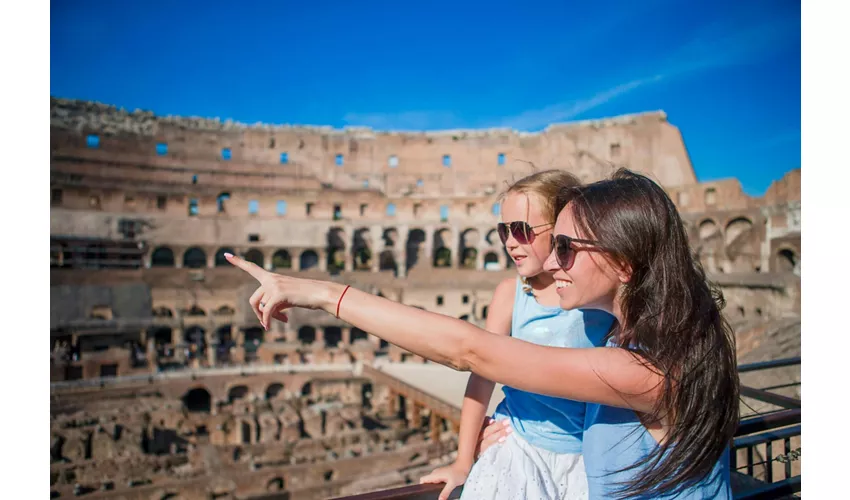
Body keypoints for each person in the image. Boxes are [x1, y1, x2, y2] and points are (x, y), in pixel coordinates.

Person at [226, 168, 738, 499]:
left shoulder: (646, 371)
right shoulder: (651, 344)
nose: (550, 262)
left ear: (624, 263)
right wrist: (504, 427)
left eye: (566, 247)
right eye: (552, 243)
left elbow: (468, 350)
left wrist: (320, 294)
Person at [417, 170, 614, 499]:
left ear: (561, 230)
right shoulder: (511, 295)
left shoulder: (594, 298)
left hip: (586, 455)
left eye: (521, 230)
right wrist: (463, 461)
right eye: (503, 230)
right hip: (520, 444)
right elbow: (481, 376)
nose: (510, 242)